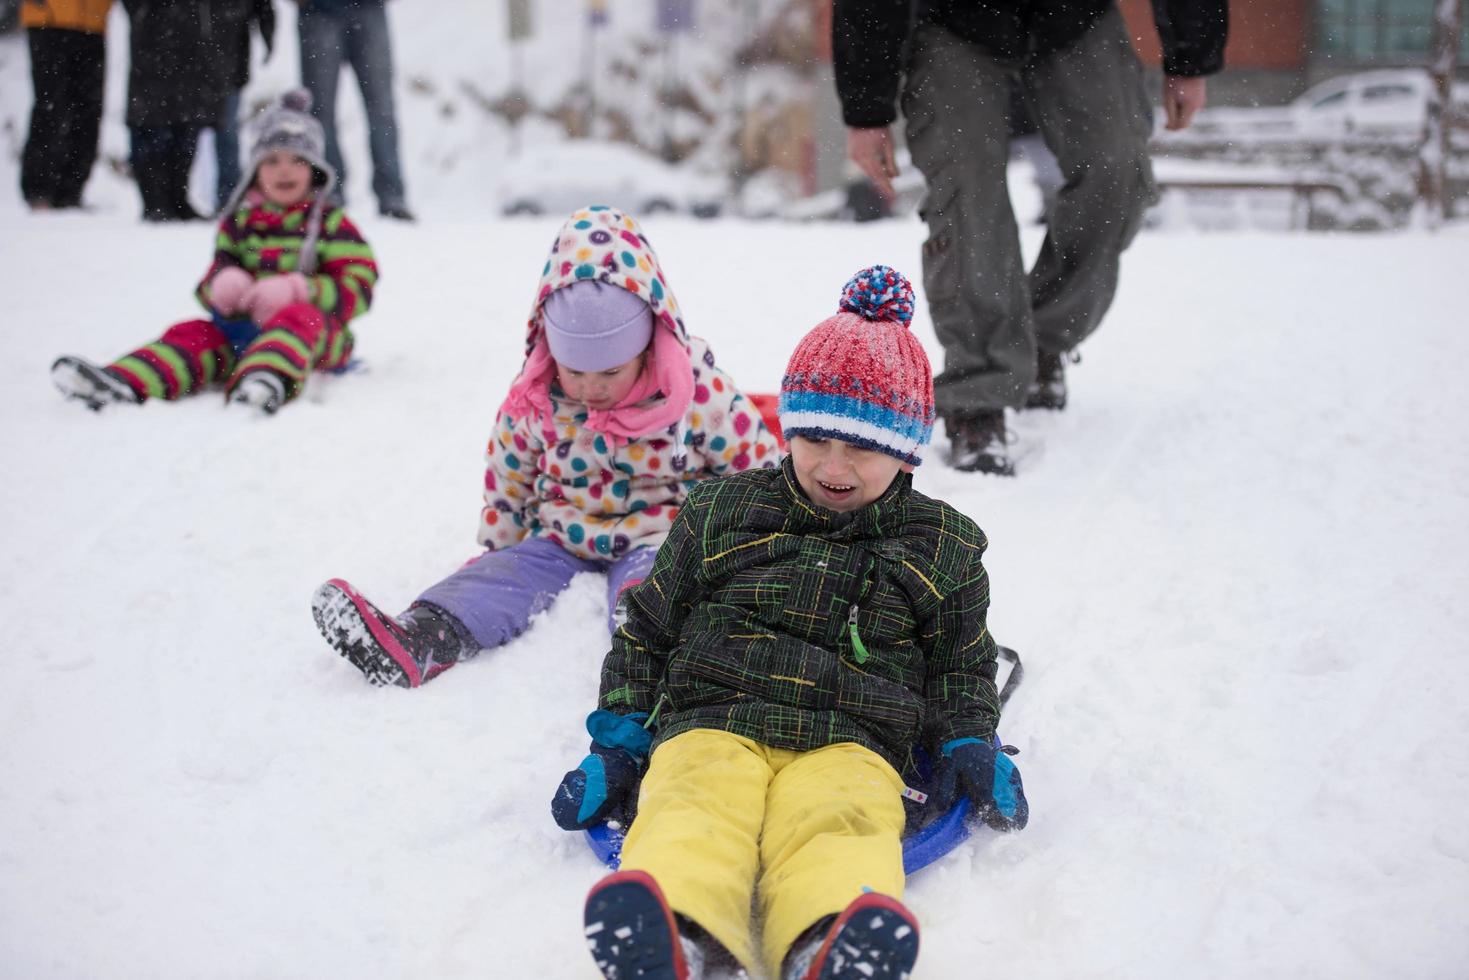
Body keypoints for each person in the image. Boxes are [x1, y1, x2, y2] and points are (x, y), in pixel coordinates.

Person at [551, 266, 1029, 980]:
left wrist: (967, 738)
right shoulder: (721, 512)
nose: (833, 466)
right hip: (713, 717)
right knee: (689, 803)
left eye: (861, 448)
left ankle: (826, 939)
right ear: (790, 430)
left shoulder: (941, 546)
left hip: (853, 735)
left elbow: (960, 662)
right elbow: (648, 632)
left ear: (904, 449)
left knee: (841, 818)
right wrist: (620, 740)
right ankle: (680, 933)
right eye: (814, 440)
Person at [309, 205, 781, 689]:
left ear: (646, 348)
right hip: (563, 530)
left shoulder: (693, 391)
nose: (590, 388)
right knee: (499, 579)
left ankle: (660, 654)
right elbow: (508, 472)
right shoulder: (537, 395)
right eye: (574, 371)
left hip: (659, 530)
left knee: (654, 589)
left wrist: (755, 546)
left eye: (611, 372)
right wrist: (501, 544)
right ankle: (421, 638)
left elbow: (754, 463)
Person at [833, 1, 1228, 475]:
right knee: (967, 194)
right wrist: (866, 110)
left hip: (1075, 15)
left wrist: (1191, 57)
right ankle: (977, 389)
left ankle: (1043, 339)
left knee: (1118, 173)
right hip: (952, 21)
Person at [51, 90, 379, 415]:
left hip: (318, 338)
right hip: (239, 332)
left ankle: (265, 380)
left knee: (298, 319)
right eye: (273, 161)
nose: (284, 171)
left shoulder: (330, 223)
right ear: (255, 170)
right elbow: (213, 277)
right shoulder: (238, 222)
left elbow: (359, 287)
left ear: (315, 169)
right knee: (194, 334)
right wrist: (221, 284)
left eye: (297, 161)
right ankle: (124, 381)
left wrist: (301, 290)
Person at [295, 0, 413, 220]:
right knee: (319, 112)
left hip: (370, 9)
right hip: (318, 11)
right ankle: (329, 191)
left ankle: (392, 195)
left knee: (382, 110)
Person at [121, 0, 231, 221]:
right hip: (153, 39)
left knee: (187, 124)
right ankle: (154, 200)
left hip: (194, 41)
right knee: (153, 125)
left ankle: (178, 197)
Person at [18, 0, 114, 211]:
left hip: (93, 21)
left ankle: (71, 191)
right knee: (51, 106)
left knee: (89, 110)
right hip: (48, 19)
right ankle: (39, 190)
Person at [211, 0, 276, 213]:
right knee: (189, 133)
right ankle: (175, 199)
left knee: (226, 130)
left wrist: (268, 33)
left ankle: (230, 197)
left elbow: (263, 7)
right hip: (184, 53)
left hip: (230, 55)